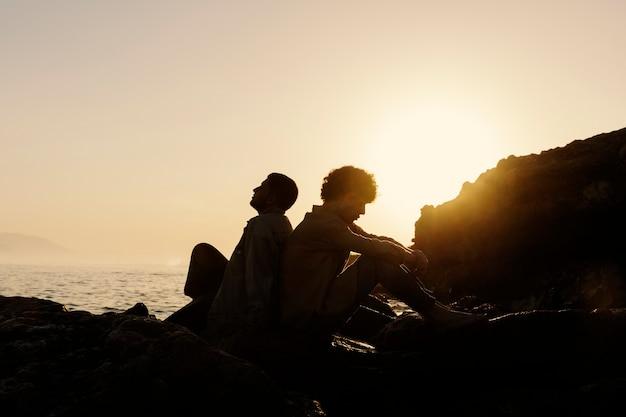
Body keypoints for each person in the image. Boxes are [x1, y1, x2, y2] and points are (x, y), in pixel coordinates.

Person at [280, 166, 480, 338]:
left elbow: (376, 240)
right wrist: (410, 257)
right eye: (361, 203)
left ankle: (435, 309)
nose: (363, 211)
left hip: (313, 312)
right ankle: (435, 313)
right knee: (376, 261)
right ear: (348, 196)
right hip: (306, 320)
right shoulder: (323, 225)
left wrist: (413, 252)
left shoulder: (331, 221)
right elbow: (372, 248)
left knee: (380, 255)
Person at [166, 173, 298, 334]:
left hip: (232, 310)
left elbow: (259, 276)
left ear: (271, 198)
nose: (255, 189)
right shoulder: (282, 224)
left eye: (262, 186)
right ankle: (200, 299)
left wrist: (253, 324)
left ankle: (202, 301)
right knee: (203, 251)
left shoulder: (261, 226)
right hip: (232, 296)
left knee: (163, 330)